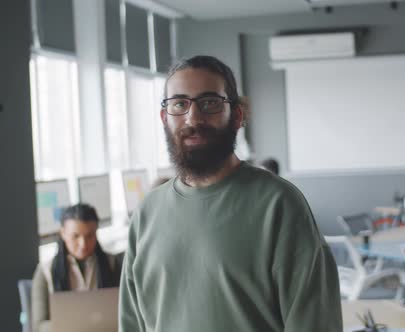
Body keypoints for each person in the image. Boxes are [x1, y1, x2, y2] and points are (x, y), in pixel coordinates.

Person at [119, 55, 342, 332]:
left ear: (237, 115)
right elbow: (132, 323)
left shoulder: (279, 204)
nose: (193, 117)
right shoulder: (147, 212)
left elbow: (314, 324)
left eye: (209, 102)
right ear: (165, 118)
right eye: (179, 104)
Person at [31, 203, 120, 332]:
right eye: (75, 236)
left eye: (90, 235)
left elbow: (125, 312)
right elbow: (39, 326)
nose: (83, 244)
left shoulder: (113, 264)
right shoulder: (45, 271)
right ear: (63, 233)